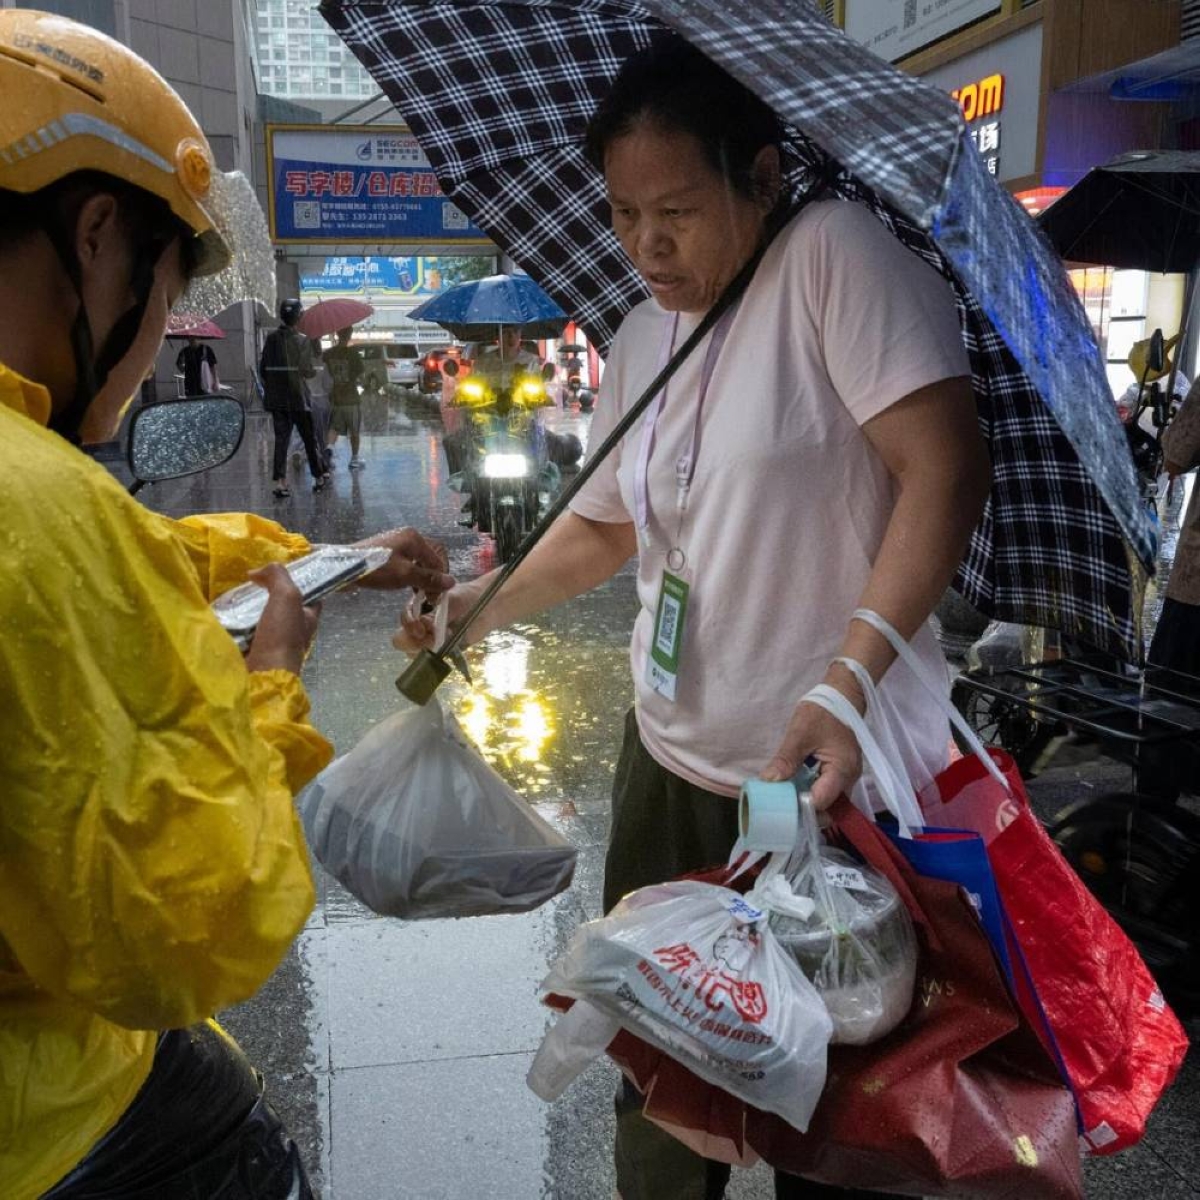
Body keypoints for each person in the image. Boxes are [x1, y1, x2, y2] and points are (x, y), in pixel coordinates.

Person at [398, 39, 990, 1200]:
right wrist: (479, 606)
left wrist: (846, 682)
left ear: (762, 177)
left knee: (829, 1084)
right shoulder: (645, 332)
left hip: (807, 774)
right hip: (670, 759)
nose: (646, 244)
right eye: (623, 213)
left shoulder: (835, 261)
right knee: (661, 1064)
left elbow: (944, 471)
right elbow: (612, 527)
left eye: (676, 209)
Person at [0, 13, 452, 1200]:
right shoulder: (37, 498)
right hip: (52, 1125)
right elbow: (187, 930)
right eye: (163, 284)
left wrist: (340, 558)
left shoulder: (41, 497)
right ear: (97, 235)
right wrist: (267, 693)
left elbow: (136, 562)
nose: (155, 337)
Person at [261, 297, 327, 496]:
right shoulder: (303, 340)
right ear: (298, 317)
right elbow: (307, 371)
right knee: (309, 438)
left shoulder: (271, 339)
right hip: (299, 399)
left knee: (282, 440)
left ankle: (281, 483)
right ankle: (318, 477)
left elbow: (263, 368)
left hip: (277, 400)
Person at [323, 325, 366, 468]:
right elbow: (361, 375)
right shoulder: (353, 354)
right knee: (354, 431)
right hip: (351, 398)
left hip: (335, 398)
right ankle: (354, 459)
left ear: (337, 334)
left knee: (334, 428)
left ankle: (329, 448)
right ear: (349, 335)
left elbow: (325, 373)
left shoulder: (328, 354)